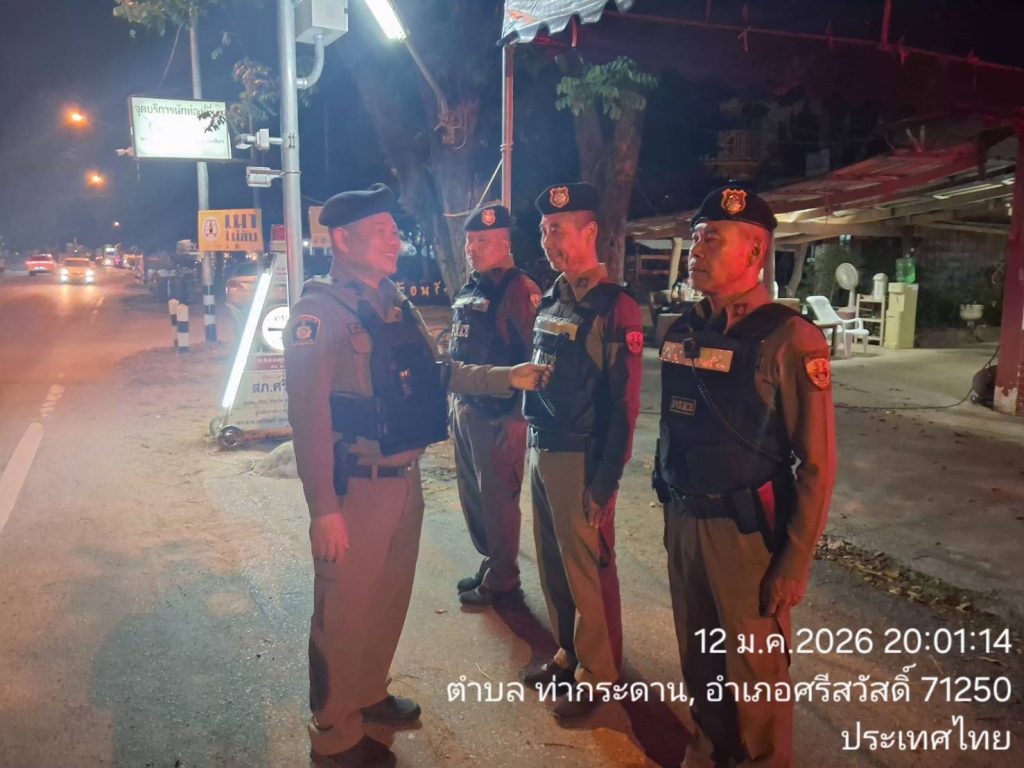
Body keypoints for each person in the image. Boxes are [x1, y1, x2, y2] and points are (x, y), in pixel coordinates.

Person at [284, 184, 548, 768]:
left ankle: (367, 694)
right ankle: (333, 735)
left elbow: (439, 372)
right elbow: (308, 419)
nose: (393, 240)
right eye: (380, 231)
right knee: (342, 613)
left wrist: (507, 376)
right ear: (342, 239)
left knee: (387, 600)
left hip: (404, 482)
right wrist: (323, 508)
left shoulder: (394, 304)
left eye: (393, 230)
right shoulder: (318, 315)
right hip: (354, 490)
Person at [653, 183, 836, 767]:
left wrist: (794, 562)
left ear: (755, 252)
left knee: (755, 675)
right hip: (685, 520)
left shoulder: (790, 339)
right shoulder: (683, 329)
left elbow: (817, 464)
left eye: (712, 239)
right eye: (695, 237)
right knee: (699, 660)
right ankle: (708, 752)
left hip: (746, 538)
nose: (696, 249)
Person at [521, 182, 644, 720]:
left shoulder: (615, 308)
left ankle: (598, 672)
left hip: (579, 456)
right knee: (552, 562)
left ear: (590, 232)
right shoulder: (552, 299)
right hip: (541, 446)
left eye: (558, 231)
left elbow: (624, 404)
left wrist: (605, 481)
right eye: (544, 231)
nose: (548, 241)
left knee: (584, 569)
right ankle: (567, 653)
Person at [449, 203, 543, 608]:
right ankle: (492, 562)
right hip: (467, 407)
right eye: (470, 241)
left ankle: (504, 580)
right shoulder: (473, 286)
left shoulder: (520, 290)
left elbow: (536, 358)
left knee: (499, 501)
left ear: (505, 243)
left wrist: (519, 416)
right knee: (475, 495)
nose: (472, 248)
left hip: (500, 415)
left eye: (482, 241)